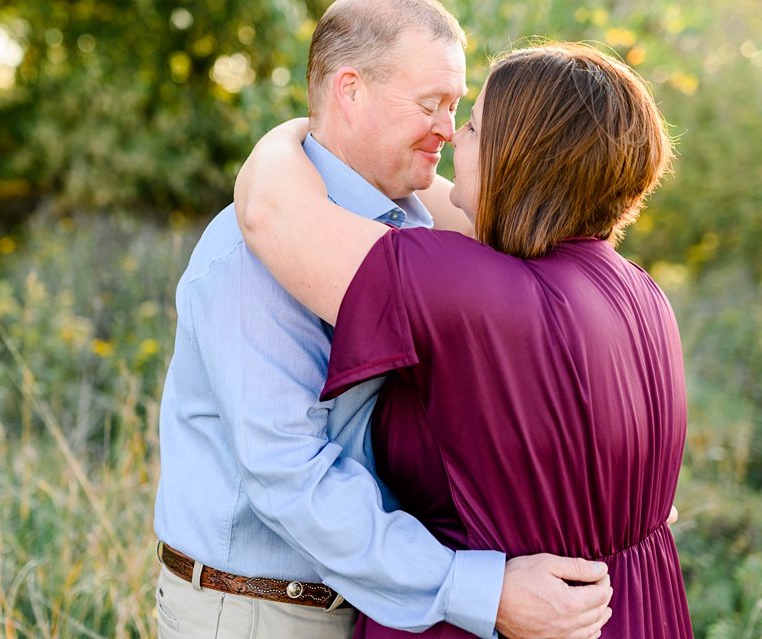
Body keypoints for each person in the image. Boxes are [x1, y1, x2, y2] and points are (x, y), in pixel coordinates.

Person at [153, 1, 614, 638]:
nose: (449, 130)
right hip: (264, 611)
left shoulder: (420, 239)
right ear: (351, 90)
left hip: (376, 603)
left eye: (457, 107)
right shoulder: (254, 255)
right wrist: (475, 589)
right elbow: (290, 475)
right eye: (432, 103)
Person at [233, 41, 693, 638]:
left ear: (517, 155)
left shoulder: (471, 291)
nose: (453, 139)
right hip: (635, 611)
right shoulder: (636, 292)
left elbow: (269, 210)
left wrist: (304, 131)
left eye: (473, 126)